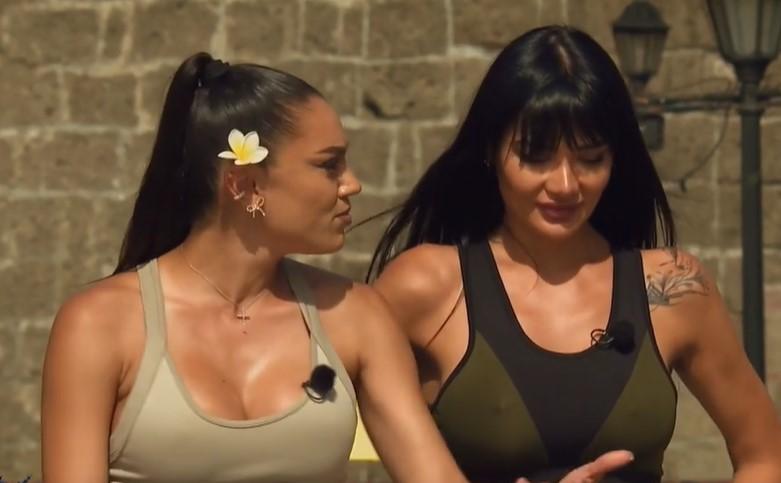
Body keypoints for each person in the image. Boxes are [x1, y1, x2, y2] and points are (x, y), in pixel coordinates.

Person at [40, 52, 630, 483]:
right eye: (329, 166)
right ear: (244, 183)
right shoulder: (100, 324)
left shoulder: (356, 317)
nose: (353, 184)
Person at [370, 26, 781, 483]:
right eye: (536, 156)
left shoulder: (675, 288)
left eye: (591, 158)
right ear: (491, 150)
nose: (566, 184)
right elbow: (319, 434)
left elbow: (766, 456)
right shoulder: (426, 286)